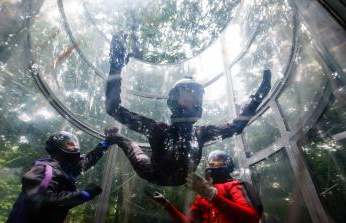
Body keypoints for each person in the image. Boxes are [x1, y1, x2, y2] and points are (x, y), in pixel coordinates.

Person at [105, 33, 272, 186]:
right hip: (152, 173)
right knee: (129, 144)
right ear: (175, 100)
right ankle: (115, 137)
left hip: (180, 179)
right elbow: (113, 108)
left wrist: (259, 96)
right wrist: (116, 65)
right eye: (189, 94)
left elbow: (236, 127)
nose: (195, 100)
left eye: (198, 96)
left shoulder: (201, 132)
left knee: (134, 146)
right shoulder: (158, 130)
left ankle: (116, 137)